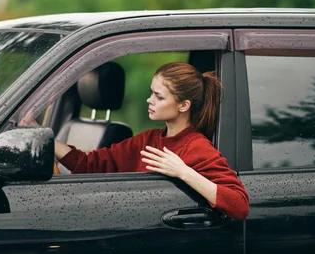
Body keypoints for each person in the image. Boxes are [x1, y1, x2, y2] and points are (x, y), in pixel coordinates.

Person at [26, 62, 249, 220]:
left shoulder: (196, 147)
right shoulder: (147, 140)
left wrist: (183, 172)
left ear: (184, 106)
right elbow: (88, 165)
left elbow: (239, 205)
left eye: (159, 97)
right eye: (152, 93)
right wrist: (40, 133)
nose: (149, 100)